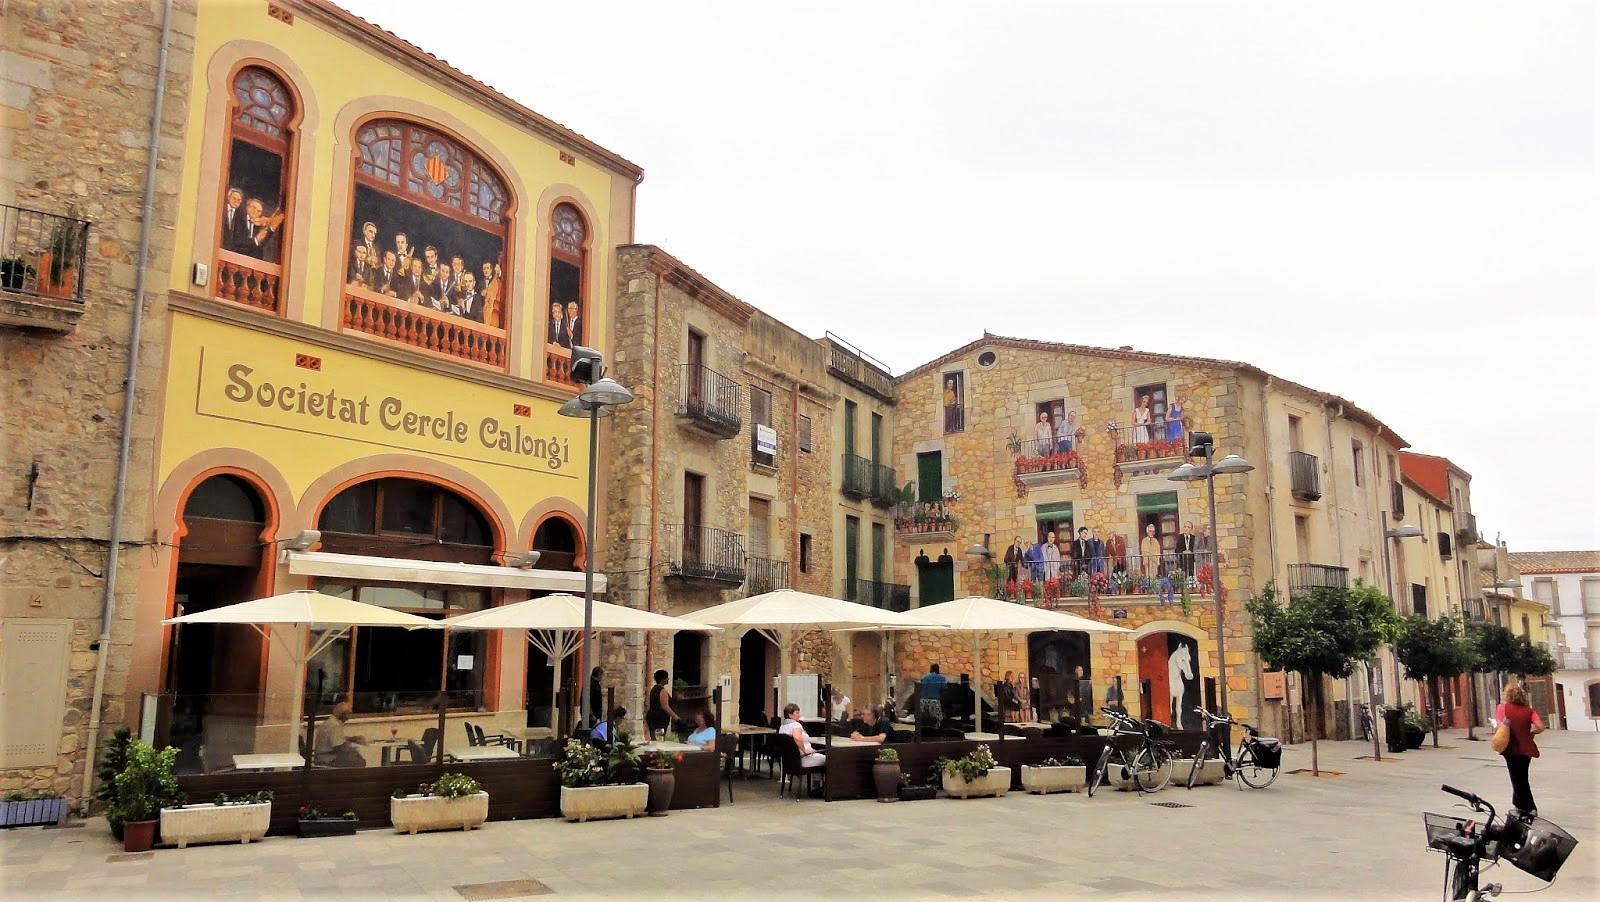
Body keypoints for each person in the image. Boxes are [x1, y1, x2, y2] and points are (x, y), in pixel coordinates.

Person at [1496, 681, 1543, 816]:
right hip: (1526, 748)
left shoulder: (1502, 708)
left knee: (1516, 779)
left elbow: (1500, 727)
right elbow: (1540, 726)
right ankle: (1518, 804)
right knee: (1522, 777)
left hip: (1510, 748)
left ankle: (1528, 807)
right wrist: (1532, 732)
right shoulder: (1529, 711)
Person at [313, 701, 367, 767]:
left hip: (323, 757)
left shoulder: (331, 722)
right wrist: (354, 751)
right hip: (327, 760)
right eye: (349, 713)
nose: (349, 717)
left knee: (355, 757)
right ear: (343, 714)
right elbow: (339, 748)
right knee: (359, 761)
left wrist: (351, 739)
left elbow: (335, 739)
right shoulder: (335, 726)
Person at [220, 187, 254, 254]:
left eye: (239, 200)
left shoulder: (241, 216)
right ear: (228, 197)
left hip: (232, 251)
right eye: (234, 198)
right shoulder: (221, 209)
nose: (236, 201)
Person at [646, 669, 676, 740]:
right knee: (659, 740)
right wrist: (676, 717)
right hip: (660, 720)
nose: (668, 679)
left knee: (654, 739)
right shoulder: (662, 691)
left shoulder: (653, 690)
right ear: (663, 679)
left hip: (652, 718)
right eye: (666, 678)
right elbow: (665, 706)